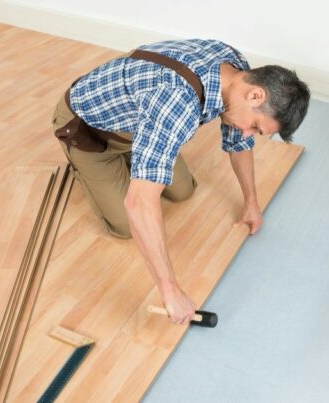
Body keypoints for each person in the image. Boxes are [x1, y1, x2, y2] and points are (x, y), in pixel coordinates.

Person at [51, 39, 310, 325]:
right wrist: (170, 291)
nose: (248, 133)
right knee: (126, 223)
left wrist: (251, 201)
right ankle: (96, 164)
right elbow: (139, 203)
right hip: (88, 129)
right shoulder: (175, 102)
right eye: (255, 126)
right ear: (256, 95)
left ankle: (142, 156)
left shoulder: (237, 71)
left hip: (139, 120)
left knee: (183, 190)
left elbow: (238, 142)